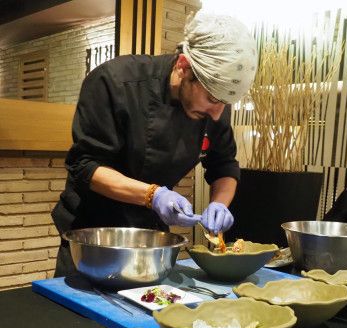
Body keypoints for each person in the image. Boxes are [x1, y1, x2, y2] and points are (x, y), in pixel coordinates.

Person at [52, 12, 258, 277]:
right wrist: (154, 195)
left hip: (151, 238)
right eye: (211, 98)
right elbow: (85, 167)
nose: (218, 114)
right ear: (183, 66)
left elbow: (224, 165)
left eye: (224, 104)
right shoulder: (114, 82)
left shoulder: (215, 106)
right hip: (93, 236)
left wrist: (220, 204)